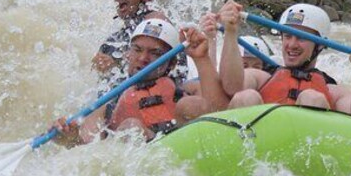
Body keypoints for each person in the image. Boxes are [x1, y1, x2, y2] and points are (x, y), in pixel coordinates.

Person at [53, 18, 228, 144]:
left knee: (191, 105)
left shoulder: (185, 90)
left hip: (178, 151)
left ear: (172, 62)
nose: (143, 58)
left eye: (155, 53)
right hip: (135, 166)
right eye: (137, 50)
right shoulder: (108, 103)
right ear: (128, 53)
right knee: (131, 126)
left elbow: (221, 113)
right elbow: (86, 145)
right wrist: (70, 139)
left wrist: (201, 58)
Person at [217, 0, 351, 119]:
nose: (292, 44)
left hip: (303, 153)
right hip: (256, 147)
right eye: (287, 36)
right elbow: (232, 87)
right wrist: (231, 32)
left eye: (301, 38)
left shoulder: (332, 90)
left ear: (319, 45)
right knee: (246, 97)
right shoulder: (262, 77)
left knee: (312, 98)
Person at [92, 0, 188, 88]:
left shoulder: (155, 20)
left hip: (161, 92)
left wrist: (118, 65)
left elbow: (152, 63)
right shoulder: (116, 37)